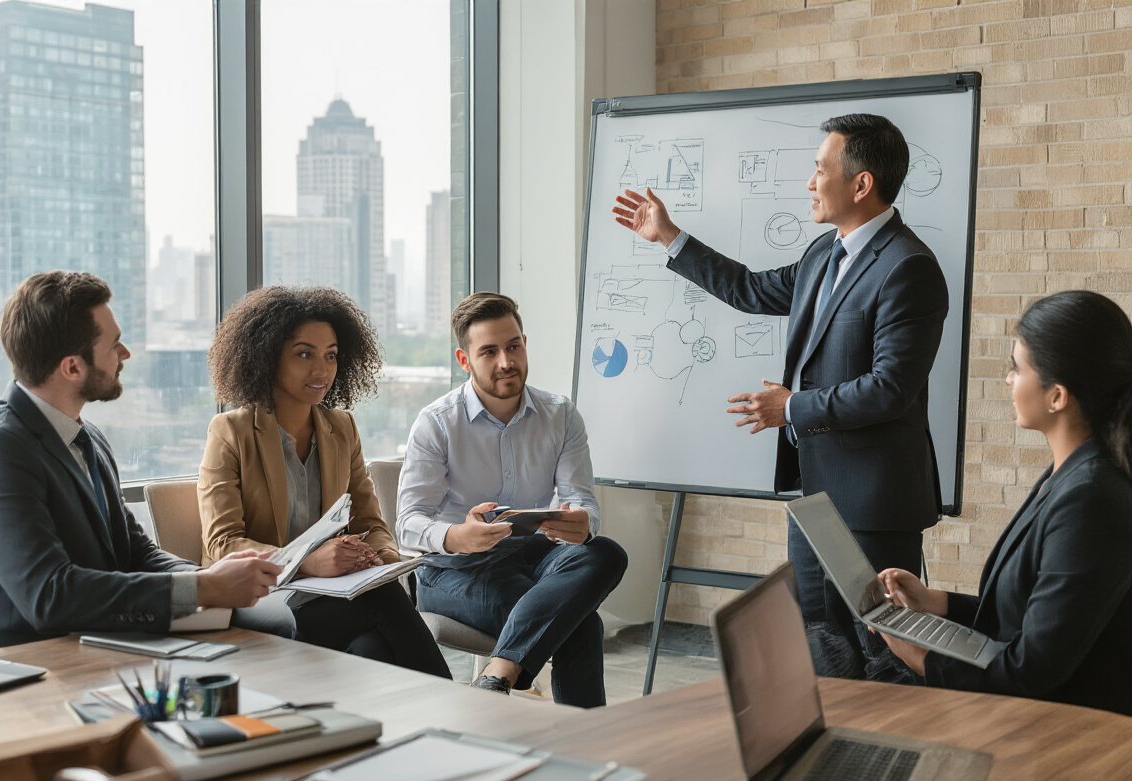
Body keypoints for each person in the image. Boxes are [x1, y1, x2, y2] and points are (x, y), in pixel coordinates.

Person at [613, 113, 948, 683]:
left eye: (820, 169)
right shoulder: (824, 253)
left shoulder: (907, 268)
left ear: (861, 184)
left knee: (882, 650)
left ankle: (896, 756)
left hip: (874, 501)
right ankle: (835, 758)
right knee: (818, 636)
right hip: (815, 494)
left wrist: (791, 407)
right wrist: (670, 237)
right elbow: (748, 289)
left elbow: (891, 389)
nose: (810, 182)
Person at [0, 271, 294, 652]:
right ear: (72, 367)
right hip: (26, 668)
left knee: (268, 630)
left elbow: (135, 553)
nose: (125, 353)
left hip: (100, 643)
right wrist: (207, 587)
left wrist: (214, 577)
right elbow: (50, 596)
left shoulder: (87, 438)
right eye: (114, 344)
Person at [876, 291, 1132, 715]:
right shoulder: (1069, 473)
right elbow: (1030, 616)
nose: (1009, 380)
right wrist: (934, 603)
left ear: (1057, 396)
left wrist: (918, 657)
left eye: (1017, 369)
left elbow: (1029, 670)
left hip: (1069, 733)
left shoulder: (1091, 498)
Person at [198, 285, 451, 679]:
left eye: (331, 356)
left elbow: (370, 523)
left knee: (372, 645)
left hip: (335, 597)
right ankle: (456, 708)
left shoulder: (341, 428)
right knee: (383, 606)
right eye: (304, 354)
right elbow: (222, 545)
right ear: (266, 357)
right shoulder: (231, 432)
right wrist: (307, 563)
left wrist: (379, 560)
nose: (321, 370)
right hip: (260, 596)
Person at [397, 292, 629, 707]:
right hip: (453, 571)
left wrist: (584, 522)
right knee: (581, 624)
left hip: (532, 555)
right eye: (489, 351)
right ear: (464, 360)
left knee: (606, 552)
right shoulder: (436, 424)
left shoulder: (560, 415)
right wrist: (457, 535)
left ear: (525, 343)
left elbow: (582, 500)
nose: (506, 361)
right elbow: (408, 522)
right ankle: (588, 738)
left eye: (514, 346)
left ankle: (497, 674)